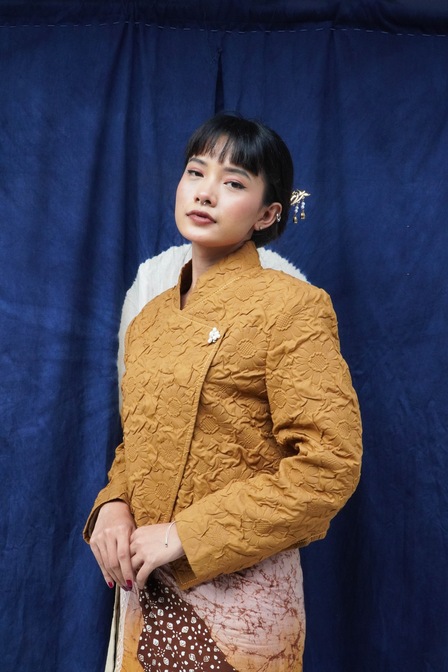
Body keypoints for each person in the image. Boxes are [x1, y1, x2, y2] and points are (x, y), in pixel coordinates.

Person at [84, 113, 362, 672]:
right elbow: (139, 442)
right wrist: (111, 504)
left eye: (234, 182)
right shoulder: (150, 319)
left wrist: (187, 534)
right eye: (196, 172)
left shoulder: (293, 307)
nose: (206, 192)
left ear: (267, 214)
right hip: (144, 588)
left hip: (240, 603)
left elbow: (330, 464)